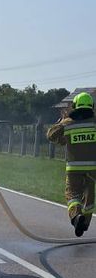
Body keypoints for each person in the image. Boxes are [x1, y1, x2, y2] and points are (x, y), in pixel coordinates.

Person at [46, 91, 96, 236]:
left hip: (74, 168)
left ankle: (76, 217)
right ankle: (84, 223)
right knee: (89, 197)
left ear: (74, 106)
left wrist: (63, 120)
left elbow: (51, 135)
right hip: (93, 168)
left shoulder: (68, 123)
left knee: (73, 195)